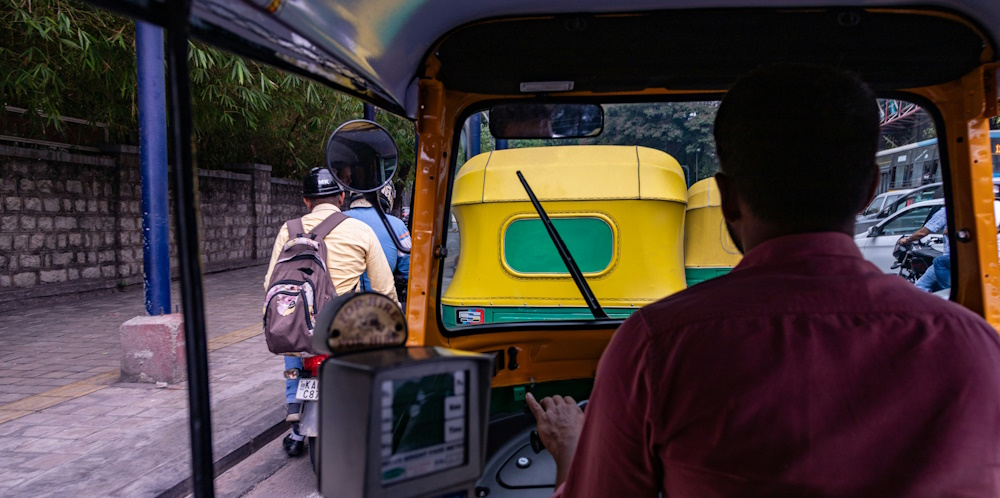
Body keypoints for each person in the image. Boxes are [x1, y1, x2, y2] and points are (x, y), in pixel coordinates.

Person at [527, 64, 1000, 496]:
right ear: (870, 191)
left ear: (727, 198)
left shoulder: (657, 346)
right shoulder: (973, 345)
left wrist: (570, 446)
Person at [264, 167, 398, 457]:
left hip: (303, 333)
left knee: (296, 327)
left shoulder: (288, 230)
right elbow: (384, 287)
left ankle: (294, 411)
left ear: (305, 201)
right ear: (341, 196)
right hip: (343, 327)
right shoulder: (361, 230)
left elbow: (269, 284)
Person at [344, 183, 411, 304]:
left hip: (340, 307)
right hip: (381, 306)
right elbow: (409, 270)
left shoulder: (335, 221)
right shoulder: (397, 226)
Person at [897, 206, 949, 292]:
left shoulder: (945, 211)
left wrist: (907, 240)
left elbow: (922, 232)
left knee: (921, 286)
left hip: (949, 258)